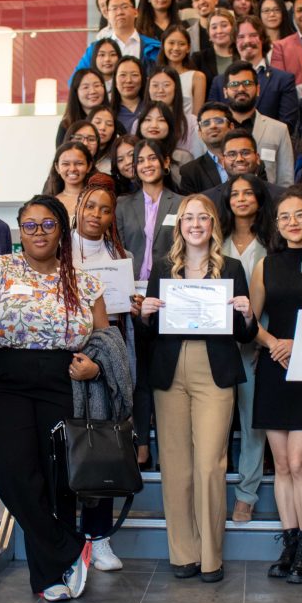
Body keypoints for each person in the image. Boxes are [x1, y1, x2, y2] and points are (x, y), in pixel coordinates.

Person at [0, 196, 108, 601]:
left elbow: (104, 341)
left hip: (65, 381)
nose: (38, 233)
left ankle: (49, 578)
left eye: (47, 225)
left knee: (56, 478)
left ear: (62, 231)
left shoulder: (85, 281)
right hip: (7, 379)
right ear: (19, 230)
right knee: (8, 471)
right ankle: (71, 546)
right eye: (29, 225)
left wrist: (94, 367)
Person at [141, 195, 256, 582]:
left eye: (202, 217)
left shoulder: (233, 268)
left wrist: (248, 314)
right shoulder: (162, 269)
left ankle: (211, 556)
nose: (195, 224)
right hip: (171, 372)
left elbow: (244, 333)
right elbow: (153, 331)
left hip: (215, 370)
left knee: (209, 465)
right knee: (176, 466)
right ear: (180, 226)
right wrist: (145, 316)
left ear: (212, 224)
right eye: (188, 218)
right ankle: (183, 554)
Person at [250, 187, 302, 583]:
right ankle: (288, 543)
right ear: (277, 223)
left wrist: (298, 345)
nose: (292, 222)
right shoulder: (266, 265)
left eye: (299, 214)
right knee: (281, 464)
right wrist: (275, 344)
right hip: (274, 366)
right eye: (284, 217)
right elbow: (251, 322)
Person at [71, 176, 138, 572]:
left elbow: (118, 319)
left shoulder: (120, 255)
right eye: (90, 206)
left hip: (104, 362)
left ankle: (99, 539)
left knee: (104, 447)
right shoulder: (62, 249)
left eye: (105, 209)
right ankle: (68, 539)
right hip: (68, 360)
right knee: (70, 448)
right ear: (78, 207)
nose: (96, 214)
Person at [116, 140, 180, 467]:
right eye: (140, 160)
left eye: (153, 158)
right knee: (138, 373)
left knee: (165, 373)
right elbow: (116, 250)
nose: (146, 164)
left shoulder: (182, 203)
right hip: (133, 296)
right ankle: (141, 445)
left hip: (170, 298)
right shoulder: (121, 205)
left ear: (165, 162)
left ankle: (170, 445)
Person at [220, 173, 274, 522]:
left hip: (257, 344)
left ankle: (247, 492)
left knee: (253, 422)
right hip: (217, 346)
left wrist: (262, 339)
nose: (241, 199)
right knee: (218, 423)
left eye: (248, 193)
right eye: (234, 193)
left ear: (259, 199)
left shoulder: (271, 243)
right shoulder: (215, 241)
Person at [209, 17, 300, 137]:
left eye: (253, 35)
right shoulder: (219, 82)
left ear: (262, 39)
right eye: (241, 37)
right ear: (234, 42)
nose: (247, 41)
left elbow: (287, 126)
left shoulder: (283, 80)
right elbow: (213, 120)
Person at [222, 61, 295, 186]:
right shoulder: (213, 129)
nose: (241, 89)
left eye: (247, 83)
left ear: (258, 89)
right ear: (225, 91)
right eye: (234, 84)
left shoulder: (279, 129)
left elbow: (286, 181)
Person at [73, 0, 160, 75]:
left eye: (125, 7)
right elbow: (76, 80)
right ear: (107, 14)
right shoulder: (95, 49)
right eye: (114, 8)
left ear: (135, 12)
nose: (120, 12)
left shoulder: (154, 47)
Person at [135, 100, 193, 191]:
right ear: (140, 125)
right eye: (148, 119)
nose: (154, 125)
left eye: (161, 120)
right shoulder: (132, 154)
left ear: (169, 126)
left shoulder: (182, 157)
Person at [179, 102, 234, 194]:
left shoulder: (249, 161)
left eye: (219, 121)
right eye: (206, 123)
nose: (213, 126)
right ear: (200, 133)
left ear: (231, 127)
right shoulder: (190, 172)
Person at [157, 25, 207, 119]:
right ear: (163, 45)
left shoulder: (197, 77)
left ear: (188, 48)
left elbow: (197, 117)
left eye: (181, 44)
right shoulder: (155, 76)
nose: (176, 48)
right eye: (171, 43)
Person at [44, 141, 93, 223]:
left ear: (89, 166)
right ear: (57, 167)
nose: (72, 169)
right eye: (66, 164)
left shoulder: (98, 198)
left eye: (79, 163)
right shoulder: (50, 202)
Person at [193, 7, 236, 88]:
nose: (219, 31)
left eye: (224, 25)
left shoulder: (243, 54)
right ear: (208, 34)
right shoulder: (198, 59)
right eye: (214, 27)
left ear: (234, 29)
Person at [111, 55, 147, 133]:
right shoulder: (108, 112)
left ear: (142, 79)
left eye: (134, 75)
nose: (128, 80)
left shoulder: (151, 107)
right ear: (115, 81)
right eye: (123, 75)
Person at [88, 104, 125, 173]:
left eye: (109, 124)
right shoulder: (77, 152)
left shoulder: (117, 158)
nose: (102, 128)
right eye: (97, 122)